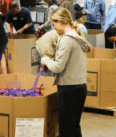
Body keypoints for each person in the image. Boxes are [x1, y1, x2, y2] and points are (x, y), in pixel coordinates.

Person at [40, 7, 92, 137]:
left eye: (53, 24)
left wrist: (45, 60)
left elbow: (58, 67)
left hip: (69, 89)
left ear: (59, 21)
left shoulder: (66, 39)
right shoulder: (76, 35)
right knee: (74, 127)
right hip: (79, 87)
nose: (54, 28)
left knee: (66, 130)